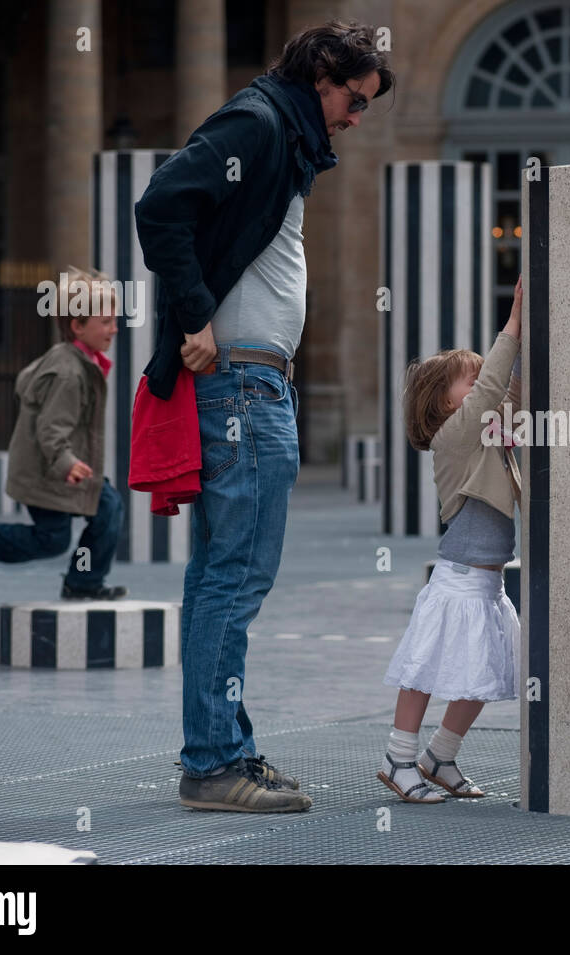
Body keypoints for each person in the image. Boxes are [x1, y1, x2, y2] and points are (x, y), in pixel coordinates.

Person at [134, 20, 394, 813]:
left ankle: (226, 747)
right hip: (241, 388)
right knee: (234, 578)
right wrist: (193, 322)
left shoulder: (281, 133)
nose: (356, 119)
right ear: (320, 74)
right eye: (354, 100)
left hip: (252, 385)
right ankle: (214, 763)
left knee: (223, 576)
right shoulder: (259, 121)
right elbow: (161, 206)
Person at [379, 276, 524, 803]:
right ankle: (399, 759)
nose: (483, 384)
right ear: (442, 404)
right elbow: (493, 393)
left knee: (480, 677)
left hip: (488, 583)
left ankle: (439, 755)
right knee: (425, 669)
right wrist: (512, 323)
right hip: (459, 579)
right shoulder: (456, 435)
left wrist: (528, 339)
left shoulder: (486, 430)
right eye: (471, 380)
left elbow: (512, 391)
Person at [0, 266, 126, 600]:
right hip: (49, 471)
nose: (115, 328)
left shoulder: (80, 361)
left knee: (109, 508)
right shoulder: (69, 373)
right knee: (51, 540)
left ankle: (83, 582)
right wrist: (66, 462)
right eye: (106, 322)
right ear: (77, 326)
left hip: (64, 468)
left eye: (115, 320)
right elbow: (51, 428)